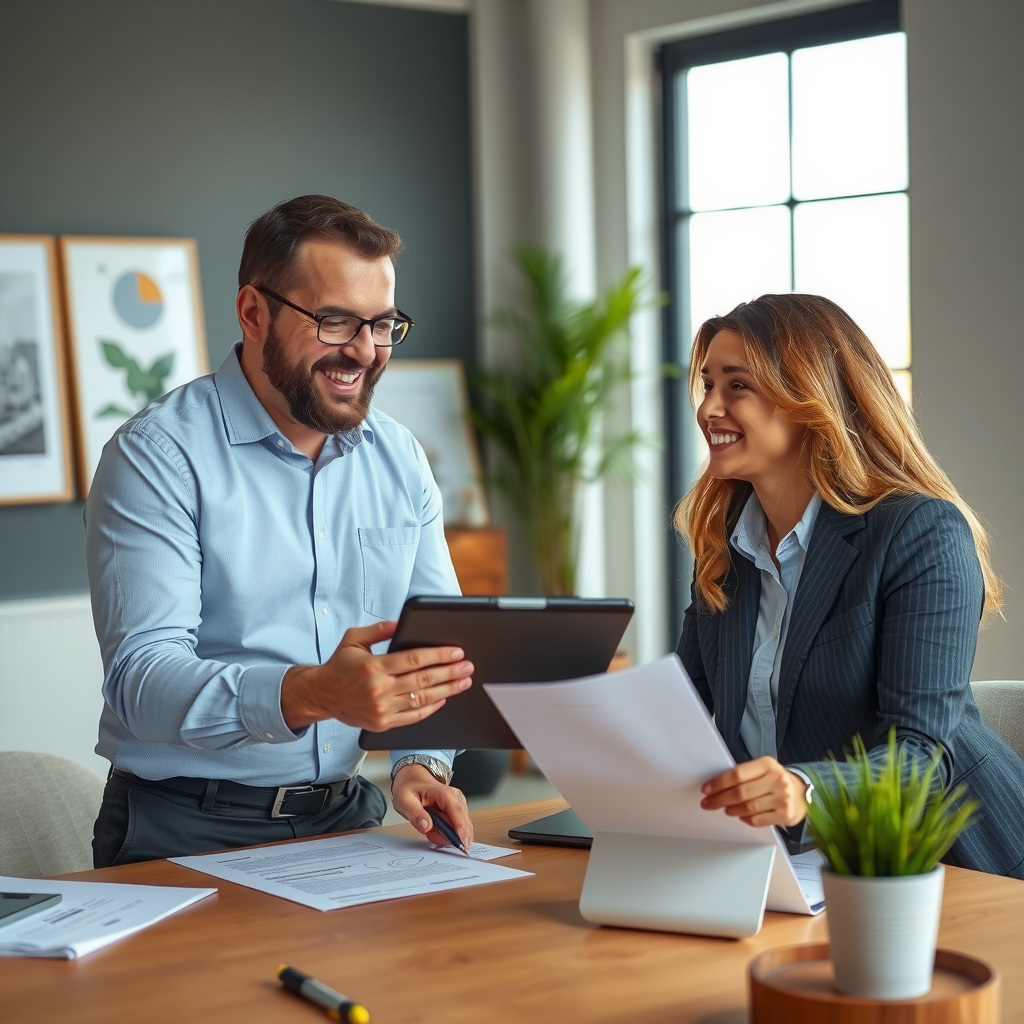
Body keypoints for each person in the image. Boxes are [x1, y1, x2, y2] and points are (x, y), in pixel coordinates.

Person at [87, 195, 476, 866]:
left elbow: (436, 648)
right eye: (334, 321)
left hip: (349, 814)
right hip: (185, 827)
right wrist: (310, 693)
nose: (364, 351)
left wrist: (421, 763)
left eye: (383, 324)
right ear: (253, 313)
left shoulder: (400, 457)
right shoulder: (156, 456)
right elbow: (141, 681)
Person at [676, 292, 1024, 878]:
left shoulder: (920, 532)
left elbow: (921, 758)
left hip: (955, 865)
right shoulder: (725, 547)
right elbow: (681, 713)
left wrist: (805, 789)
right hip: (799, 869)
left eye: (737, 386)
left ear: (810, 400)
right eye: (708, 385)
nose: (709, 408)